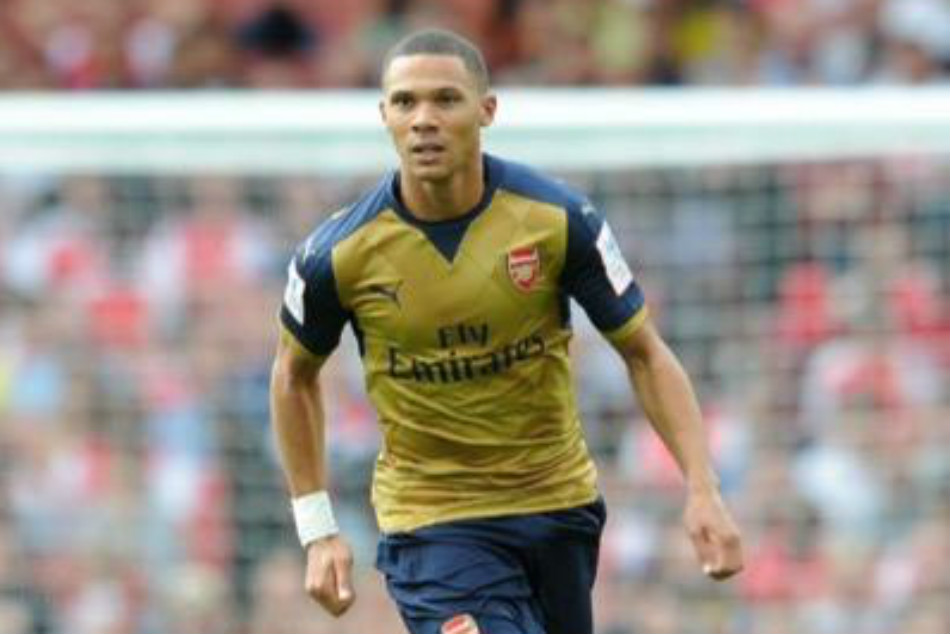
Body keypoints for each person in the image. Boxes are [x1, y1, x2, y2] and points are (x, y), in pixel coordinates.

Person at [269, 28, 744, 634]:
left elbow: (644, 352)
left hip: (557, 507)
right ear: (384, 114)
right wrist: (317, 529)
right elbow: (293, 375)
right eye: (406, 102)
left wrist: (703, 488)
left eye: (446, 99)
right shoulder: (336, 255)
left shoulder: (558, 220)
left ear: (487, 110)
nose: (424, 119)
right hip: (433, 522)